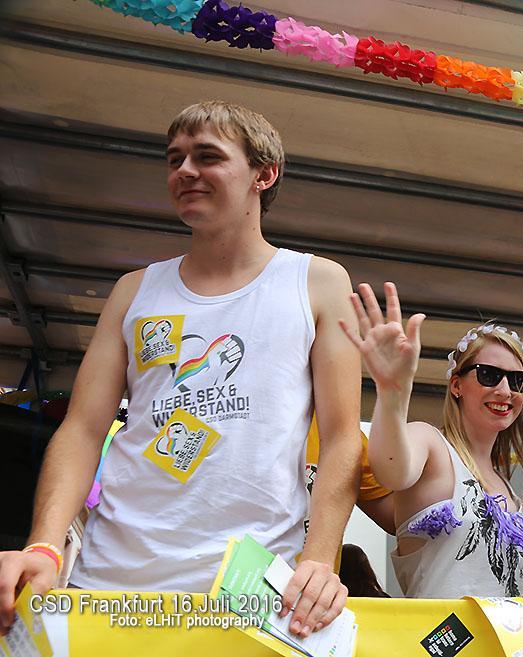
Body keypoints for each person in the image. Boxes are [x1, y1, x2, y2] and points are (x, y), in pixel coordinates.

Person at [0, 101, 362, 638]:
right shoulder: (134, 290)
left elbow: (341, 438)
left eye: (207, 156)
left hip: (250, 593)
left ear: (264, 174)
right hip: (110, 583)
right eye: (175, 159)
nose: (184, 171)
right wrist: (46, 544)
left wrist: (319, 558)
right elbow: (81, 428)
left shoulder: (317, 281)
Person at [340, 282, 523, 598]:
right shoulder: (430, 443)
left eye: (517, 380)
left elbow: (503, 585)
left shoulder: (506, 485)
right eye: (489, 375)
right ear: (456, 385)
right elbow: (391, 470)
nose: (505, 390)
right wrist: (392, 392)